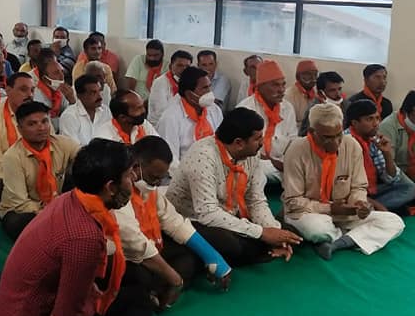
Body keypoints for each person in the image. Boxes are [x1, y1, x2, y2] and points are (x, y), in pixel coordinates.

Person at [0, 139, 151, 316]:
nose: (134, 179)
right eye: (129, 174)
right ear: (110, 187)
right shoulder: (83, 236)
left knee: (138, 295)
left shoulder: (74, 198)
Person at [167, 108, 302, 266]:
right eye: (258, 138)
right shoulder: (203, 156)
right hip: (194, 220)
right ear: (239, 143)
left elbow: (255, 200)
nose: (262, 143)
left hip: (229, 214)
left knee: (292, 234)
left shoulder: (252, 154)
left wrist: (275, 233)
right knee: (231, 245)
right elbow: (208, 214)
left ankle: (262, 248)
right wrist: (262, 233)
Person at [284, 103, 405, 260]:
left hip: (345, 214)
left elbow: (358, 187)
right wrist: (330, 208)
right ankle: (350, 237)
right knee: (317, 229)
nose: (335, 142)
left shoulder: (351, 145)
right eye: (327, 137)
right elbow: (293, 201)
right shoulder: (296, 150)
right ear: (312, 132)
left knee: (394, 221)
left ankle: (336, 243)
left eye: (338, 135)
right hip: (309, 213)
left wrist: (359, 204)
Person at [116, 135, 232, 292]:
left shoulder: (149, 189)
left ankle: (161, 290)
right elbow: (135, 243)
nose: (157, 183)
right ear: (136, 166)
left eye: (161, 178)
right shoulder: (119, 193)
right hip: (128, 257)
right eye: (154, 177)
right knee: (141, 277)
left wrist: (212, 258)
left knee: (190, 256)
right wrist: (175, 279)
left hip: (154, 248)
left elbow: (174, 222)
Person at [0, 101, 79, 239]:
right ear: (20, 129)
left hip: (55, 203)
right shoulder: (12, 157)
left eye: (44, 121)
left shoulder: (62, 143)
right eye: (32, 124)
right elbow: (20, 203)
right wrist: (53, 210)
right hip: (22, 211)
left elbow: (86, 158)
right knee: (22, 224)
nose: (41, 127)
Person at [344, 99, 415, 212]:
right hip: (350, 192)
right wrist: (375, 203)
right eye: (369, 119)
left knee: (409, 188)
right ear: (355, 123)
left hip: (370, 190)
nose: (376, 124)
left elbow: (391, 178)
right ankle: (368, 207)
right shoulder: (344, 142)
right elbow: (342, 184)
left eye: (377, 118)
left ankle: (368, 208)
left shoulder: (374, 140)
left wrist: (386, 153)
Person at [236, 60, 298, 186]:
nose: (281, 90)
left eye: (283, 85)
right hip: (254, 162)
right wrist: (272, 162)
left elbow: (293, 141)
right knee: (263, 171)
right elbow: (242, 148)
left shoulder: (287, 108)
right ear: (260, 87)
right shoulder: (245, 108)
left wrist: (288, 163)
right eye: (275, 85)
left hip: (281, 163)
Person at [156, 66, 224, 168]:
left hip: (214, 166)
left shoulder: (214, 110)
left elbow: (222, 143)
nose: (210, 92)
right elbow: (171, 160)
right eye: (205, 88)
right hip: (185, 171)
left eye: (209, 87)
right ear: (189, 94)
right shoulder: (170, 118)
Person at [0, 72, 35, 184]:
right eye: (23, 90)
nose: (30, 95)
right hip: (7, 179)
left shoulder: (39, 114)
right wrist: (22, 181)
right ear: (8, 90)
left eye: (32, 90)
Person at [60, 74, 111, 146]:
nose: (99, 96)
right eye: (93, 93)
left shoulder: (105, 111)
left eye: (99, 91)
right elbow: (73, 149)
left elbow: (111, 139)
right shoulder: (69, 116)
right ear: (79, 96)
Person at [93, 89, 159, 144]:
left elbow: (159, 147)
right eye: (138, 108)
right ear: (123, 118)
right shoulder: (104, 138)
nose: (143, 111)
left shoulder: (144, 124)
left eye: (142, 106)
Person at [148, 50, 193, 126]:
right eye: (179, 65)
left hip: (179, 122)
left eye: (187, 67)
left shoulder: (188, 82)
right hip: (160, 124)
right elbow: (161, 112)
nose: (184, 69)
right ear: (170, 66)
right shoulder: (160, 82)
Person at [33, 51, 74, 131]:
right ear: (45, 79)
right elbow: (49, 125)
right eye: (56, 73)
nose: (62, 76)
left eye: (62, 71)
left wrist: (72, 100)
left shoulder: (60, 90)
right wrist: (65, 119)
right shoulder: (37, 95)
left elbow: (72, 115)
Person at [284, 59, 318, 125]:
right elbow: (288, 124)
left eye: (315, 74)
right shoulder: (288, 96)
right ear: (297, 77)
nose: (313, 78)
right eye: (308, 74)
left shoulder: (317, 94)